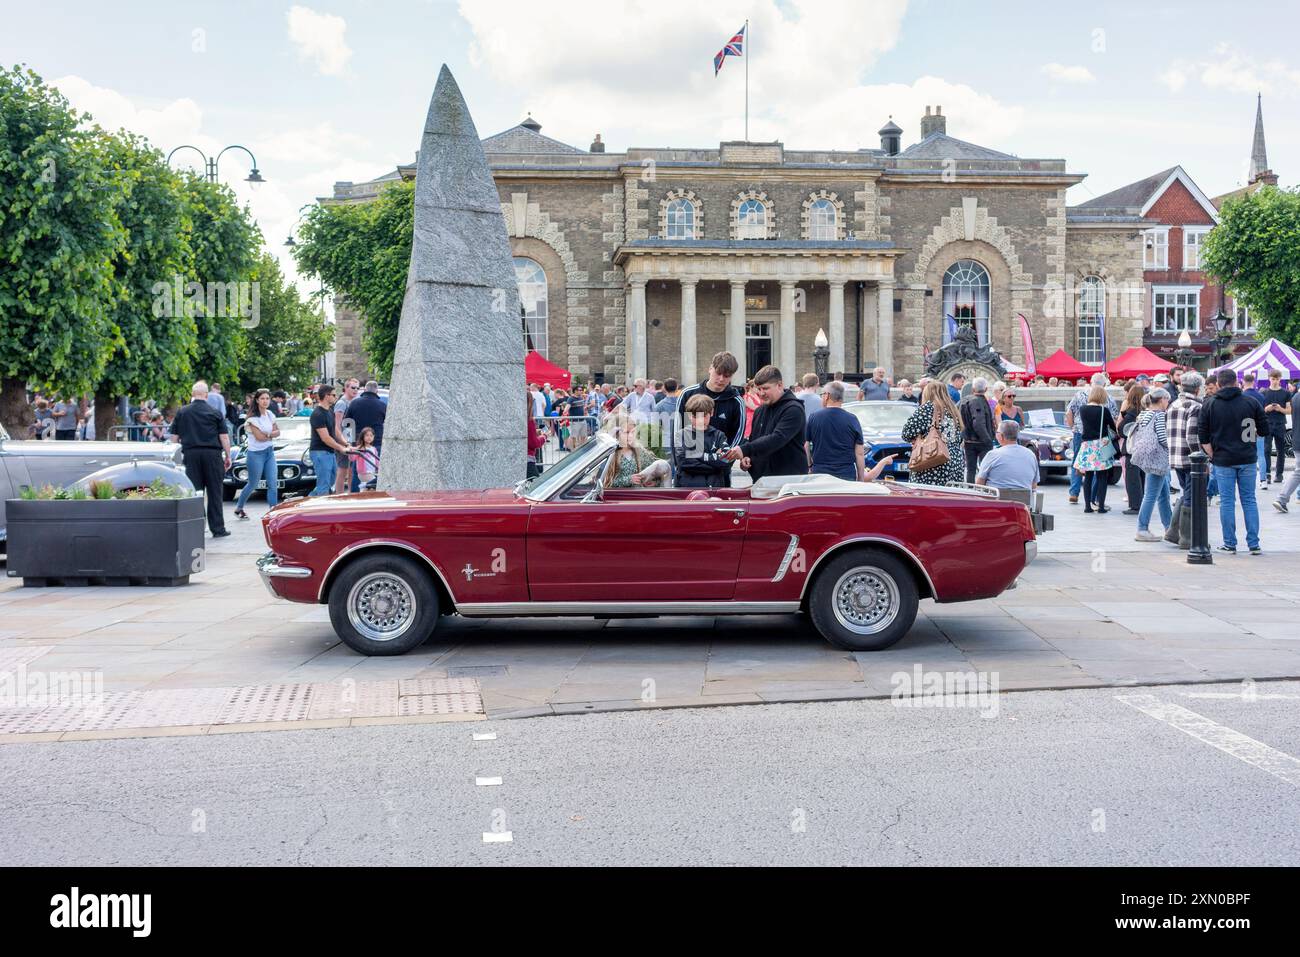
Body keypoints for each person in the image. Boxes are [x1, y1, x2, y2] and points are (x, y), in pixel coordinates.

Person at [1199, 368, 1267, 555]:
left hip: (1223, 459)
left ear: (1219, 384)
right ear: (1237, 382)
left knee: (1227, 501)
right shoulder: (1251, 402)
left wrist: (1213, 454)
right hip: (1247, 457)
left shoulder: (1210, 404)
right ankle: (1254, 544)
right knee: (1249, 501)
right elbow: (1264, 430)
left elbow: (1202, 435)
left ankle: (1230, 543)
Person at [725, 365, 808, 481]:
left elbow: (777, 438)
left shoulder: (793, 409)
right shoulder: (759, 410)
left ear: (780, 385)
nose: (761, 393)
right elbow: (755, 439)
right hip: (762, 481)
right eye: (759, 389)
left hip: (788, 480)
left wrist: (745, 449)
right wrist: (748, 457)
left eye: (765, 388)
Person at [172, 381, 233, 537]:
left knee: (195, 492)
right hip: (212, 456)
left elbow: (174, 438)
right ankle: (218, 529)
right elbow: (224, 437)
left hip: (191, 456)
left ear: (192, 394)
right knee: (215, 493)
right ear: (206, 395)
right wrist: (228, 455)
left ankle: (197, 528)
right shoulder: (215, 413)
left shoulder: (182, 412)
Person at [678, 353, 746, 484]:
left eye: (726, 376)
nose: (721, 379)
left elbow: (737, 438)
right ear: (710, 369)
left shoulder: (736, 401)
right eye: (718, 373)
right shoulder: (687, 394)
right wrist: (713, 460)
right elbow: (678, 433)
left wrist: (723, 462)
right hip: (688, 473)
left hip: (719, 475)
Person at [807, 380, 875, 482]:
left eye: (822, 395)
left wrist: (809, 465)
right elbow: (859, 453)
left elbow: (806, 445)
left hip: (820, 472)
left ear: (827, 396)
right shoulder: (852, 419)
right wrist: (861, 478)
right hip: (846, 473)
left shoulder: (814, 417)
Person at [900, 381, 965, 488]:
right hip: (955, 462)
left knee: (929, 498)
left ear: (928, 393)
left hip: (934, 460)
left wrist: (918, 437)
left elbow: (906, 433)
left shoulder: (928, 408)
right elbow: (959, 438)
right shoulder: (953, 410)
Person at [1065, 372, 1117, 504]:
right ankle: (1096, 497)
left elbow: (1069, 412)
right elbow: (1114, 418)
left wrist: (1073, 427)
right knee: (1098, 466)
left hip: (1080, 433)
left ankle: (1074, 493)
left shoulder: (1080, 394)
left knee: (1077, 462)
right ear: (1104, 384)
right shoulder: (1108, 398)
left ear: (1090, 381)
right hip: (1100, 437)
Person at [1131, 387, 1172, 541]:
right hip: (1158, 458)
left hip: (1148, 457)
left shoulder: (1144, 414)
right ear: (1162, 400)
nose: (1168, 402)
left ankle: (1170, 527)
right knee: (1151, 495)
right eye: (1167, 399)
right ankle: (1142, 529)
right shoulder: (1160, 415)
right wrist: (1173, 448)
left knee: (1163, 494)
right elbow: (1162, 438)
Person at [234, 389, 280, 520]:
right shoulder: (252, 419)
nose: (265, 401)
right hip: (255, 454)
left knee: (273, 483)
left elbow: (278, 432)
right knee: (253, 483)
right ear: (257, 400)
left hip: (269, 452)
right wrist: (271, 434)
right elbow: (259, 437)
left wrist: (269, 435)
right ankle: (239, 507)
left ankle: (273, 511)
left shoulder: (270, 414)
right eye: (262, 399)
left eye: (267, 398)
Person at [672, 394, 732, 489]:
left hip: (714, 488)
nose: (700, 420)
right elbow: (684, 463)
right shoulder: (681, 435)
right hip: (686, 488)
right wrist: (714, 461)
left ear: (711, 412)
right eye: (696, 416)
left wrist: (697, 455)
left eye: (704, 416)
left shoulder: (719, 435)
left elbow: (726, 461)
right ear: (689, 415)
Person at [1074, 385, 1117, 514]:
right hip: (1101, 444)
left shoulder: (1082, 409)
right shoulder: (1104, 410)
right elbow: (1112, 427)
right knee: (1102, 477)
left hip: (1087, 445)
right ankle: (1101, 506)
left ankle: (1087, 506)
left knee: (1088, 476)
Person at [308, 385, 353, 496]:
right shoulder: (317, 414)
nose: (335, 397)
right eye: (333, 395)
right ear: (326, 396)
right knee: (324, 485)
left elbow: (336, 430)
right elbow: (326, 438)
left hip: (329, 452)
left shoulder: (330, 411)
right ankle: (320, 510)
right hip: (320, 452)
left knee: (330, 481)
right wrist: (341, 448)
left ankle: (309, 499)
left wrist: (346, 443)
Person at [601, 411, 661, 488]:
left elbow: (656, 472)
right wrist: (628, 480)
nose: (631, 436)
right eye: (627, 432)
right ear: (617, 433)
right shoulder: (610, 455)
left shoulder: (639, 451)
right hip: (618, 498)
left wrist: (654, 482)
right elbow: (604, 482)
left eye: (633, 432)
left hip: (638, 497)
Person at [975, 420, 1040, 492]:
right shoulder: (1030, 454)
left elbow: (979, 483)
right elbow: (1034, 485)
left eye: (997, 432)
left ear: (1001, 436)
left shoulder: (992, 455)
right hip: (1023, 501)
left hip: (996, 500)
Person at [959, 377, 997, 484]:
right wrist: (987, 439)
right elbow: (978, 422)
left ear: (973, 388)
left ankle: (971, 490)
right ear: (985, 389)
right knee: (984, 470)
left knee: (971, 469)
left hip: (968, 440)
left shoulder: (964, 400)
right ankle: (981, 491)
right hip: (980, 441)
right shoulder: (977, 401)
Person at [1117, 383, 1146, 515]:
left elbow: (1122, 430)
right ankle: (1143, 503)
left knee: (1132, 478)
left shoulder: (1132, 412)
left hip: (1132, 449)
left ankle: (1135, 505)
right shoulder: (1146, 411)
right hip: (1144, 448)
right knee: (1142, 476)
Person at [1273, 386, 1300, 513]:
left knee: (1298, 472)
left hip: (1296, 440)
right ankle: (1282, 498)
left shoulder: (1295, 398)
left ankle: (1282, 499)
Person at [1261, 370, 1291, 484]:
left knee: (1280, 450)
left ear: (1280, 379)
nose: (1275, 381)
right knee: (1266, 449)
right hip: (1267, 424)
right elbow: (1259, 411)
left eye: (1277, 379)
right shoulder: (1264, 392)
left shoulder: (1286, 393)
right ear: (1269, 378)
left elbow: (1289, 410)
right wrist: (1266, 409)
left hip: (1280, 424)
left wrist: (1280, 409)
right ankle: (1267, 473)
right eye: (1273, 379)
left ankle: (1279, 474)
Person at [1241, 372, 1269, 489]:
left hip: (1244, 429)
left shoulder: (1241, 396)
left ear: (1243, 382)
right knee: (1260, 455)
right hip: (1257, 428)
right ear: (1254, 382)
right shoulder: (1261, 396)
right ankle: (1263, 480)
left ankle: (1245, 480)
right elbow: (1263, 414)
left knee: (1244, 454)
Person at [333, 377, 360, 494]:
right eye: (353, 388)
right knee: (342, 469)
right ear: (346, 388)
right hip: (343, 440)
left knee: (351, 470)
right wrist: (343, 442)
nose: (355, 390)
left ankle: (350, 494)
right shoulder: (341, 403)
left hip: (352, 439)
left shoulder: (354, 402)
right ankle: (339, 496)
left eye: (357, 388)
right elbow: (337, 426)